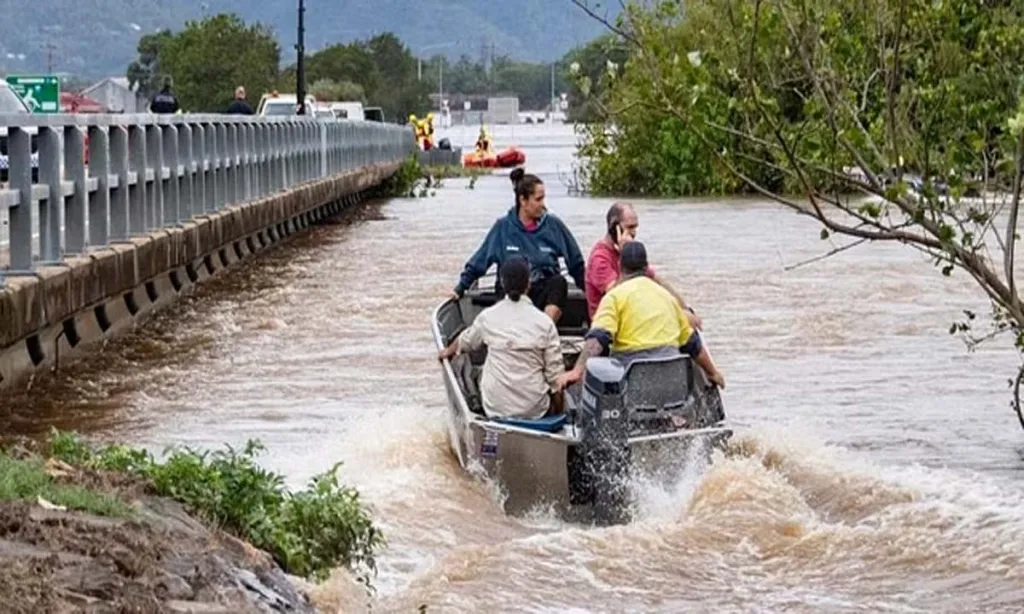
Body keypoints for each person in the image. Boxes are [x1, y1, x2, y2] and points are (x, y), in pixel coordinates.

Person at [558, 241, 725, 390]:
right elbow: (693, 344)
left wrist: (577, 371)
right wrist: (713, 372)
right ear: (646, 268)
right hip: (672, 387)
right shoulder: (666, 297)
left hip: (633, 387)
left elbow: (598, 337)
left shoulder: (614, 297)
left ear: (619, 266)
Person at [438, 256, 565, 420]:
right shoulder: (545, 323)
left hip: (495, 408)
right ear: (528, 284)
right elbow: (556, 381)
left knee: (477, 371)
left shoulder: (488, 317)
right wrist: (559, 415)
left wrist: (447, 351)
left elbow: (464, 342)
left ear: (503, 284)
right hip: (535, 411)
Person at [452, 168, 586, 323]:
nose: (543, 205)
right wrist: (460, 288)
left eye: (543, 199)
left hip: (542, 294)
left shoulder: (553, 225)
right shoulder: (503, 227)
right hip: (511, 295)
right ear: (523, 200)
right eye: (538, 199)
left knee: (559, 283)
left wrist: (591, 293)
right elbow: (479, 262)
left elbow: (576, 264)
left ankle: (543, 330)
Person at [585, 202, 702, 330]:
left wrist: (685, 308)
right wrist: (625, 254)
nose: (634, 233)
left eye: (635, 227)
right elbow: (616, 295)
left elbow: (659, 282)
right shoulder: (600, 258)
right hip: (610, 325)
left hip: (634, 316)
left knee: (687, 329)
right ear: (615, 228)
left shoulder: (632, 254)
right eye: (630, 227)